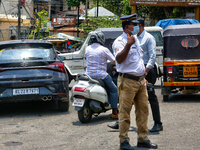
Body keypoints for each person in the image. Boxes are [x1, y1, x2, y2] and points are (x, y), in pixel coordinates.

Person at [108, 18, 163, 132]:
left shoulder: (148, 38)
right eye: (134, 25)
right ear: (128, 27)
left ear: (141, 26)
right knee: (128, 103)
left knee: (150, 100)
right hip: (132, 75)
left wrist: (145, 72)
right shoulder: (130, 39)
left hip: (147, 71)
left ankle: (157, 123)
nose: (136, 27)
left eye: (137, 25)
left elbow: (152, 57)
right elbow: (120, 59)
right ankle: (121, 126)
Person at [85, 31, 118, 119]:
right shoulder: (104, 49)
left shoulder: (87, 48)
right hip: (101, 75)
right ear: (101, 39)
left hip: (88, 75)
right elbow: (114, 61)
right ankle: (115, 112)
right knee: (114, 90)